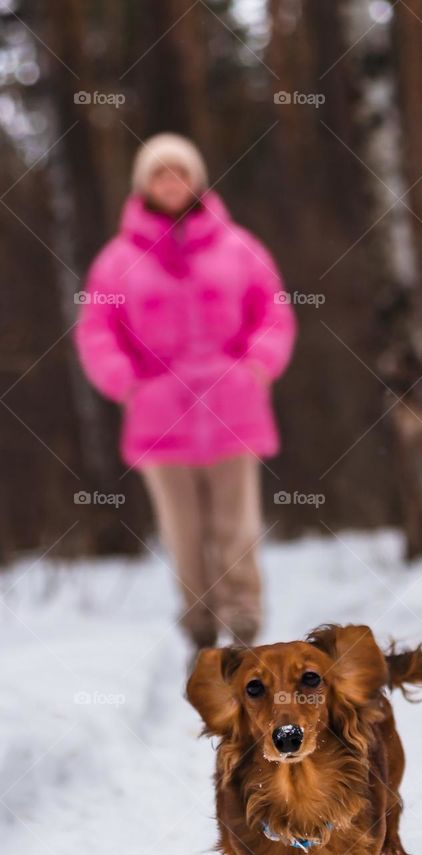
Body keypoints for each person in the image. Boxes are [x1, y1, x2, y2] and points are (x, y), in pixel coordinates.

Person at [75, 133, 297, 651]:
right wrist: (126, 383)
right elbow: (96, 331)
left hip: (233, 409)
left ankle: (245, 622)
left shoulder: (240, 247)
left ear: (196, 180)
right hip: (159, 418)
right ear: (143, 184)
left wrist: (257, 367)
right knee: (183, 532)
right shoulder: (115, 261)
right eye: (159, 173)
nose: (170, 182)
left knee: (236, 526)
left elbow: (274, 313)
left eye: (179, 171)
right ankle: (199, 627)